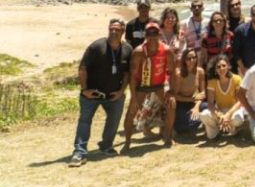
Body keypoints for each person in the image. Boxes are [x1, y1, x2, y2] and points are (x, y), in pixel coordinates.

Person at [69, 18, 132, 167]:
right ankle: (79, 152)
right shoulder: (97, 46)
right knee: (84, 122)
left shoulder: (127, 49)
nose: (113, 32)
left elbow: (127, 73)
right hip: (92, 94)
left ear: (123, 31)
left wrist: (121, 91)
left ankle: (106, 145)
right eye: (111, 29)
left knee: (114, 120)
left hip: (114, 94)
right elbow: (83, 68)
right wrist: (84, 90)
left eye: (117, 29)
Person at [123, 21, 176, 150]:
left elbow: (172, 72)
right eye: (149, 33)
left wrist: (171, 91)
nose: (152, 36)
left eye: (155, 33)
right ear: (145, 35)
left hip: (159, 85)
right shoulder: (138, 52)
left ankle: (168, 137)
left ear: (159, 34)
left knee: (171, 105)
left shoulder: (167, 51)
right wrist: (134, 97)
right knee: (131, 111)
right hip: (142, 85)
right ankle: (127, 142)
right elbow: (132, 77)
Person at [199, 54, 245, 140]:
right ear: (215, 69)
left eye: (224, 65)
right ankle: (217, 128)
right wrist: (220, 116)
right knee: (204, 115)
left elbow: (240, 101)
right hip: (219, 111)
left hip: (233, 110)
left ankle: (232, 128)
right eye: (218, 67)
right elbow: (210, 103)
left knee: (237, 119)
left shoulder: (237, 79)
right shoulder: (212, 82)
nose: (221, 68)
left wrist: (227, 115)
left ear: (228, 66)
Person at [172, 47, 206, 137]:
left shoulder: (200, 71)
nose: (192, 60)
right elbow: (175, 96)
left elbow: (203, 93)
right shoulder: (179, 74)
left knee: (207, 107)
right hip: (181, 103)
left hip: (194, 102)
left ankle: (198, 124)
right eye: (189, 58)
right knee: (185, 125)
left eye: (194, 57)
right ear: (184, 60)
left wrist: (196, 107)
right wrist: (191, 100)